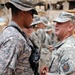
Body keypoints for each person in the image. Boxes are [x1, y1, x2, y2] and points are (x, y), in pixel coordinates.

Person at [0, 0, 38, 75]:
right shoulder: (14, 37)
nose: (33, 18)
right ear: (23, 12)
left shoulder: (16, 33)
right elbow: (4, 72)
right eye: (32, 14)